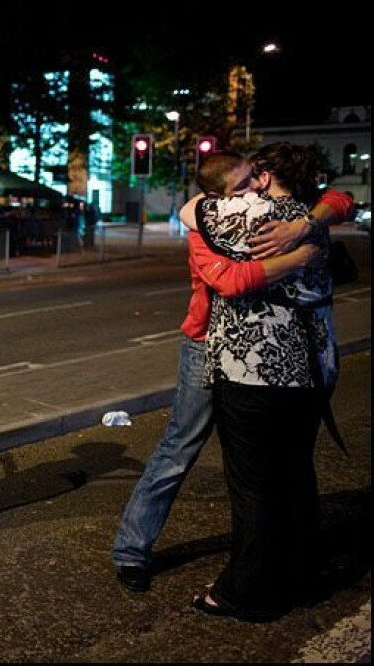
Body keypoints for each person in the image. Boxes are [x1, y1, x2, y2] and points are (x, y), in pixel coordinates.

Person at [111, 150, 353, 594]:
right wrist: (302, 256)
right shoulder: (207, 223)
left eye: (255, 180)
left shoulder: (278, 214)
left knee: (261, 467)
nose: (255, 189)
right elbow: (230, 282)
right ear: (215, 197)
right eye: (242, 184)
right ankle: (132, 549)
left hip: (257, 359)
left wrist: (304, 226)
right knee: (180, 448)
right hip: (207, 346)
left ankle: (266, 563)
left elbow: (341, 197)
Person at [192, 143, 338, 621]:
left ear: (267, 173)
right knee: (296, 476)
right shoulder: (310, 219)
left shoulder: (233, 212)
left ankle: (247, 592)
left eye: (255, 172)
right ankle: (301, 579)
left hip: (251, 370)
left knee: (252, 484)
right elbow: (338, 202)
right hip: (310, 371)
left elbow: (194, 210)